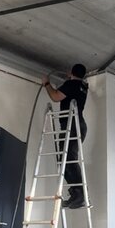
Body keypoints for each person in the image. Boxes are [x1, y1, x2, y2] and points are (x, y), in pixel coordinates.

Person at [42, 64, 89, 208]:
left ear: (71, 72)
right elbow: (72, 89)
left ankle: (80, 194)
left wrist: (47, 84)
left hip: (71, 125)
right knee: (65, 160)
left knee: (68, 159)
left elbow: (55, 97)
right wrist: (71, 78)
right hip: (79, 124)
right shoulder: (83, 86)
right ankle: (76, 193)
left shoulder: (71, 85)